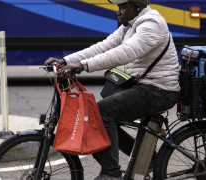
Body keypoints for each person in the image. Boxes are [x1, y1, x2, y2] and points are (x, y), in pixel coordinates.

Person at [45, 0, 180, 179]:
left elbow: (125, 52)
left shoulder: (151, 24)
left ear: (137, 7)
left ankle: (111, 172)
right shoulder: (131, 24)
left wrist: (83, 65)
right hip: (145, 84)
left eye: (122, 7)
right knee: (101, 113)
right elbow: (105, 46)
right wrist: (67, 60)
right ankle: (149, 161)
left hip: (160, 90)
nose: (118, 11)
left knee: (102, 112)